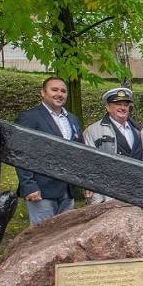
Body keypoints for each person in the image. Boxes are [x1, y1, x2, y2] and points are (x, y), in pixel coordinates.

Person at [14, 76, 84, 225]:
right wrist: (29, 186)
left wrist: (84, 182)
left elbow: (80, 153)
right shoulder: (29, 118)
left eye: (63, 91)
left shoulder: (73, 119)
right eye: (54, 90)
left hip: (68, 191)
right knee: (42, 235)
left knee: (65, 234)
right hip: (41, 191)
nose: (59, 94)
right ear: (43, 92)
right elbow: (20, 153)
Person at [83, 87, 143, 204]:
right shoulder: (93, 131)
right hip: (109, 192)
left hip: (136, 191)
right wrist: (95, 196)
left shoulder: (139, 130)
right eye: (118, 104)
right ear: (107, 107)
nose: (123, 108)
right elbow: (87, 162)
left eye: (126, 105)